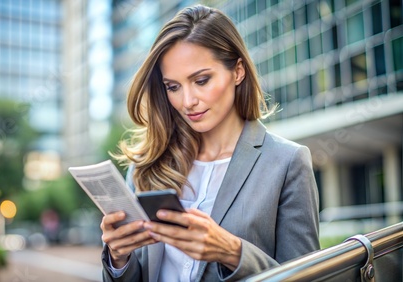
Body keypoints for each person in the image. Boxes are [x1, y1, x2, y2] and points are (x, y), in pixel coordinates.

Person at [100, 4, 319, 281]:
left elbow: (309, 276)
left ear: (237, 71)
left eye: (201, 80)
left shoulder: (287, 163)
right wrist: (119, 258)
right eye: (173, 87)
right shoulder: (147, 166)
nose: (188, 101)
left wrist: (232, 252)